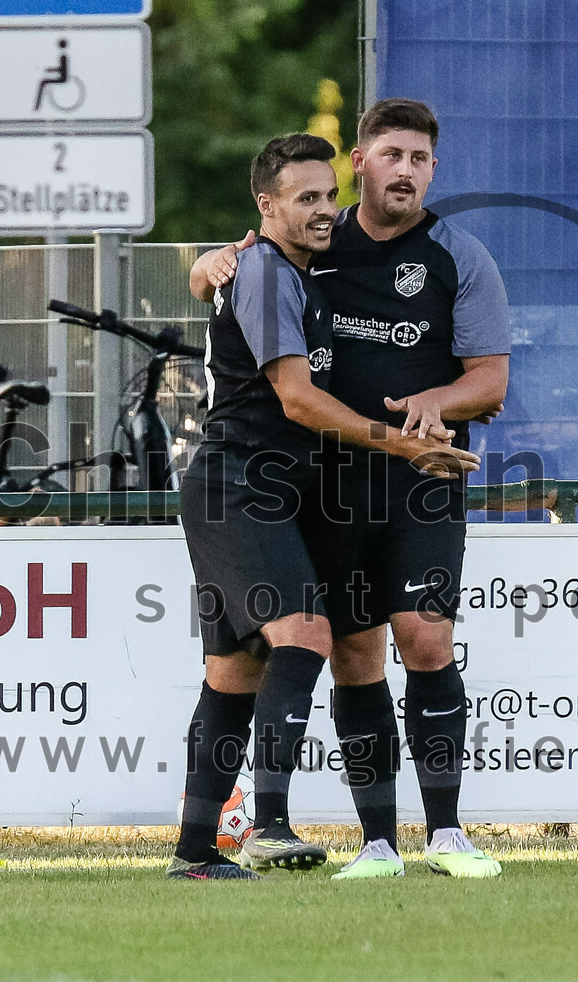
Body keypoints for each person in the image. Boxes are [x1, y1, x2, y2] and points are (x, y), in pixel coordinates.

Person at [191, 98, 511, 879]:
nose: (405, 169)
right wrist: (206, 265)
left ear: (434, 169)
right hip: (320, 487)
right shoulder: (311, 248)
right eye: (390, 154)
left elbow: (493, 380)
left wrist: (437, 405)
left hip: (421, 481)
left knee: (425, 635)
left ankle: (445, 835)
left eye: (421, 158)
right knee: (347, 650)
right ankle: (373, 843)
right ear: (359, 163)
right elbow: (244, 274)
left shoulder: (458, 257)